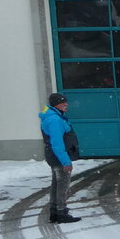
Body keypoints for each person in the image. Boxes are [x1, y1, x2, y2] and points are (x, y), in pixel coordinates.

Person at [39, 93, 81, 224]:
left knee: (56, 184)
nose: (66, 104)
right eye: (63, 102)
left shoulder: (52, 117)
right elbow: (57, 143)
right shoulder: (55, 120)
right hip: (58, 157)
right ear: (56, 104)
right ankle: (61, 212)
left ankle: (55, 211)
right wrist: (65, 161)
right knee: (63, 184)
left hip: (53, 155)